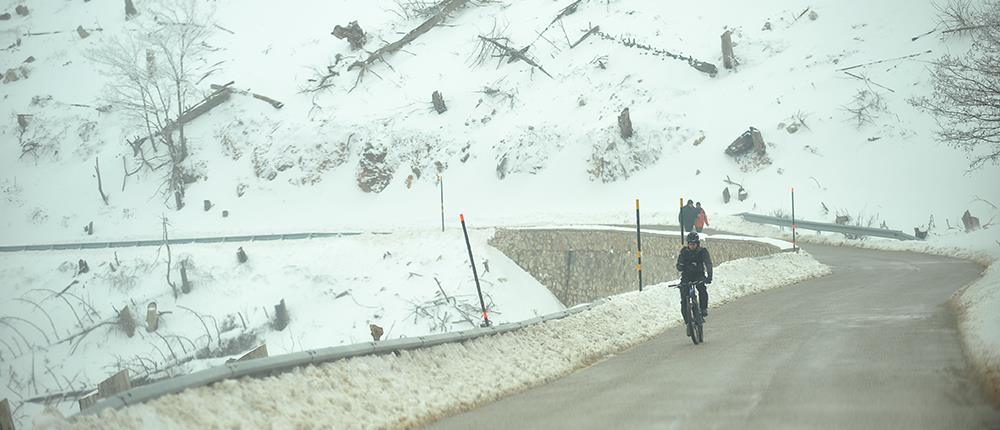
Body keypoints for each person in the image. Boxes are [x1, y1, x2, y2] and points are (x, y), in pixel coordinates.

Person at [676, 232, 713, 326]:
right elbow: (679, 265)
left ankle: (703, 309)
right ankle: (688, 321)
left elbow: (708, 263)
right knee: (684, 298)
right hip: (686, 276)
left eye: (694, 244)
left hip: (699, 275)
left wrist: (709, 277)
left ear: (697, 244)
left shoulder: (702, 251)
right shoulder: (684, 252)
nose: (692, 246)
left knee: (702, 289)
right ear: (688, 244)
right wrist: (680, 265)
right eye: (690, 244)